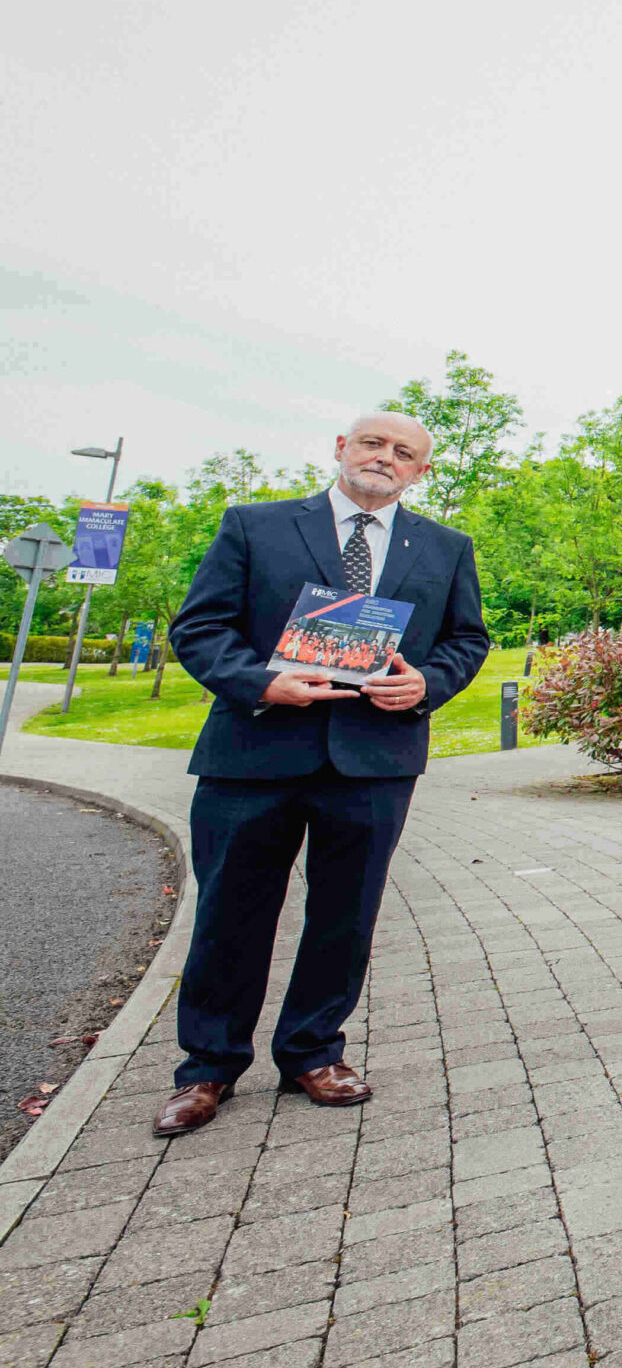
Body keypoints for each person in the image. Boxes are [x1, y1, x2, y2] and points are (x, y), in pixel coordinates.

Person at [155, 412, 490, 1137]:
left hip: (374, 760)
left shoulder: (445, 547)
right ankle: (207, 1065)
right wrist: (261, 680)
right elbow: (199, 628)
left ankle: (312, 1051)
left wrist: (427, 683)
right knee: (229, 916)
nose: (385, 458)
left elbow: (468, 639)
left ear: (421, 472)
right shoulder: (255, 525)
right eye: (373, 443)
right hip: (254, 753)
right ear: (341, 448)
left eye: (404, 453)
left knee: (346, 915)